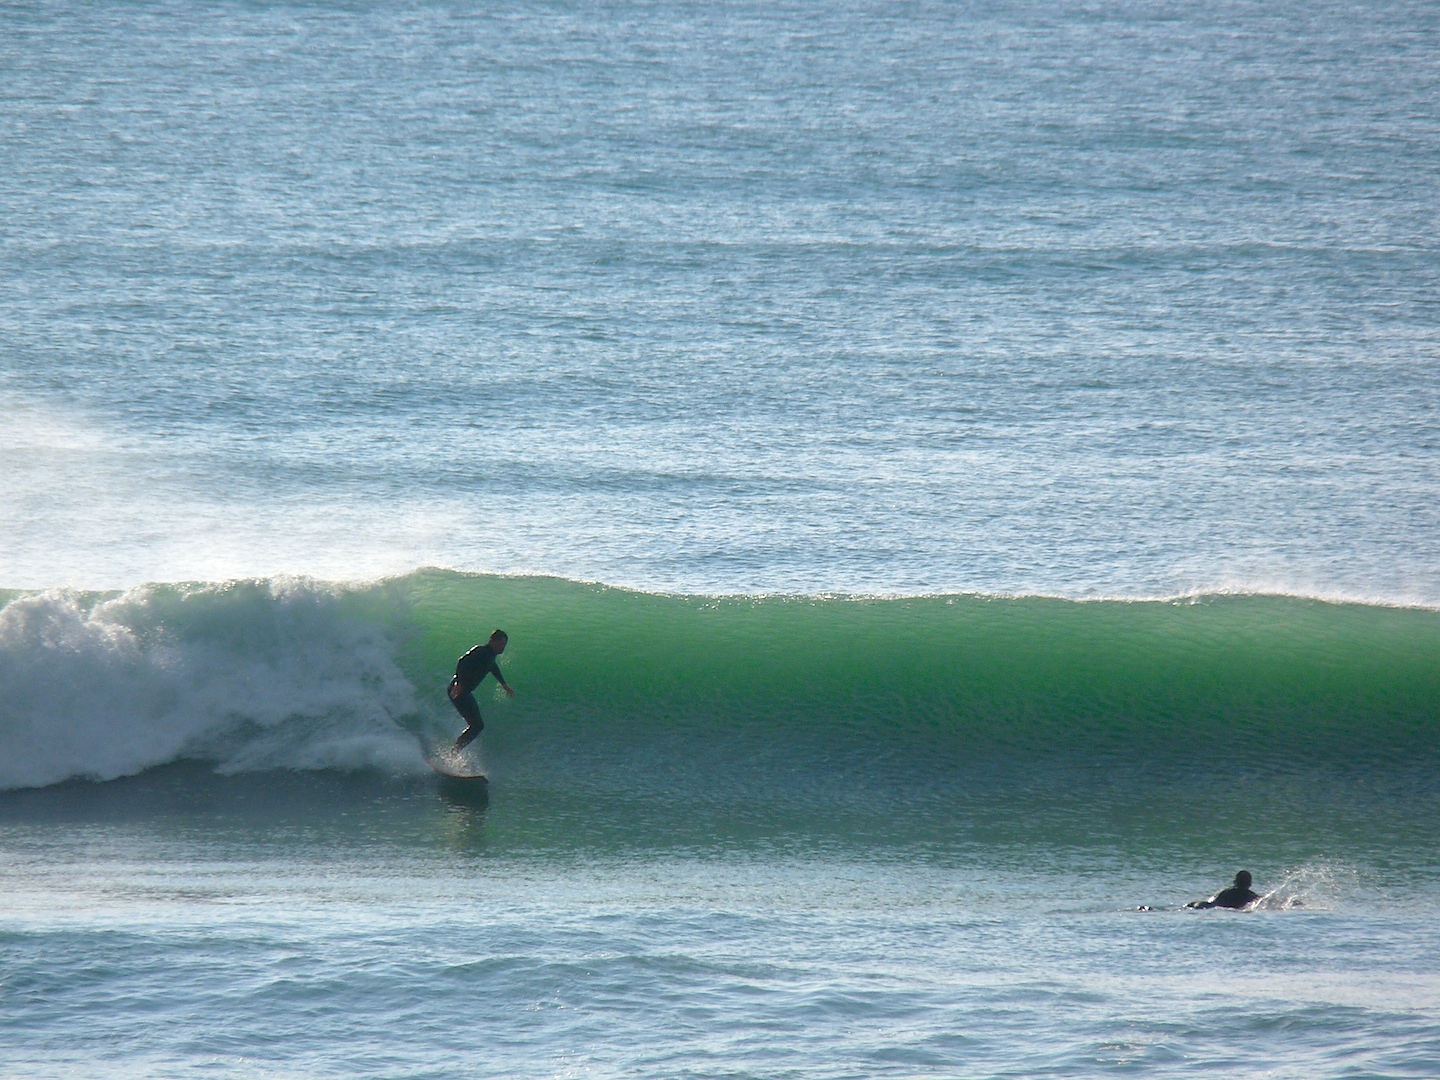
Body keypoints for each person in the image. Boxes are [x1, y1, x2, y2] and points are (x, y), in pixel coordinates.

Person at [448, 630, 514, 752]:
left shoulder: (490, 656)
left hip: (465, 691)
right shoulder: (480, 651)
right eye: (501, 643)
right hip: (458, 689)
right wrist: (459, 683)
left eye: (505, 644)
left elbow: (492, 667)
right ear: (492, 641)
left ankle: (454, 751)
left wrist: (504, 684)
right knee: (477, 726)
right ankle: (454, 752)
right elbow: (462, 661)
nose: (503, 647)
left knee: (477, 726)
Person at [1187, 870, 1262, 910]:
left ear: (1235, 881)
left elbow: (1213, 901)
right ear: (1250, 884)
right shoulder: (1249, 895)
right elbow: (1262, 901)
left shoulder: (1225, 892)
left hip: (1209, 906)